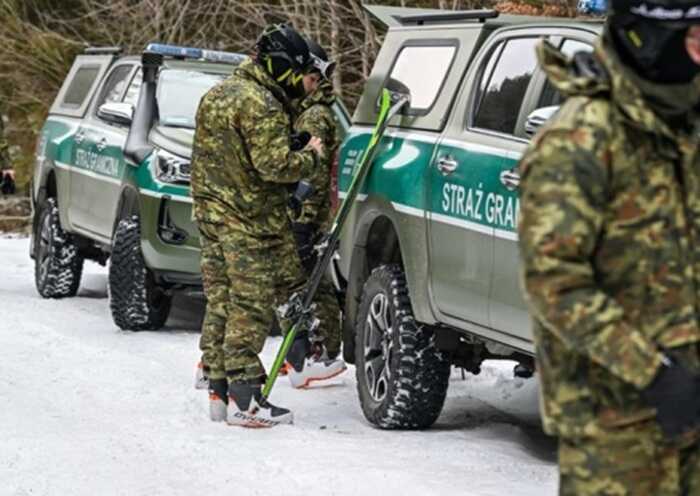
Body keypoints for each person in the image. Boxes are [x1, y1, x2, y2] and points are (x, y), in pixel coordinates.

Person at [518, 0, 700, 493]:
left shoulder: (682, 127)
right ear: (650, 40)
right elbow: (554, 282)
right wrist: (655, 374)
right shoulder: (580, 139)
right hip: (616, 430)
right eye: (694, 38)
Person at [191, 24, 335, 428]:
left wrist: (290, 140)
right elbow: (273, 165)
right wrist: (311, 156)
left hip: (213, 214)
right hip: (248, 220)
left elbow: (230, 155)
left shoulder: (218, 94)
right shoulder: (261, 103)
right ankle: (245, 397)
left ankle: (218, 390)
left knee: (221, 301)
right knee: (249, 305)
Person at [281, 39, 346, 388]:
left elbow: (314, 173)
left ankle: (320, 354)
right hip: (310, 216)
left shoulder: (316, 116)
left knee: (310, 284)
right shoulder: (306, 110)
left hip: (311, 217)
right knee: (300, 283)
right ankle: (299, 353)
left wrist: (303, 224)